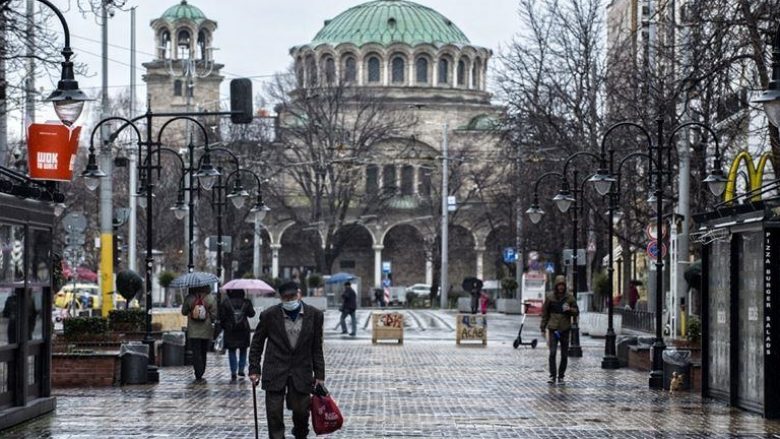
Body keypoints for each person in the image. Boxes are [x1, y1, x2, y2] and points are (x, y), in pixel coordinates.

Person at [249, 281, 325, 439]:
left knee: (301, 412)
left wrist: (319, 376)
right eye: (286, 297)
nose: (290, 300)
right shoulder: (269, 315)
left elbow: (316, 347)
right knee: (274, 413)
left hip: (301, 370)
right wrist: (254, 369)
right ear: (280, 298)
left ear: (299, 294)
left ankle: (300, 434)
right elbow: (256, 344)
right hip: (275, 369)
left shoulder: (315, 315)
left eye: (292, 296)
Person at [540, 275, 579, 385]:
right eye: (559, 285)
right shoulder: (550, 297)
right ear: (556, 286)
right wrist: (542, 327)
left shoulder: (570, 298)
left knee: (564, 354)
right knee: (552, 353)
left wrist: (569, 309)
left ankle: (561, 376)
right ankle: (553, 375)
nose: (561, 287)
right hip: (553, 328)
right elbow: (545, 313)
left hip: (565, 329)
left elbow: (576, 312)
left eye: (562, 285)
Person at [181, 285, 218, 383]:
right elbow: (214, 315)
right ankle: (201, 371)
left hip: (193, 330)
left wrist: (191, 310)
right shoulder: (210, 298)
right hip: (206, 329)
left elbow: (183, 312)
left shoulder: (189, 298)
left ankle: (198, 372)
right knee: (203, 351)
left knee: (196, 352)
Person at [219, 289, 256, 382]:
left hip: (230, 330)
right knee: (243, 350)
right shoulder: (246, 302)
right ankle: (241, 369)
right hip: (244, 329)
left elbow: (222, 317)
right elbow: (252, 314)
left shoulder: (226, 303)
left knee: (232, 350)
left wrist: (224, 326)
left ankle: (233, 371)